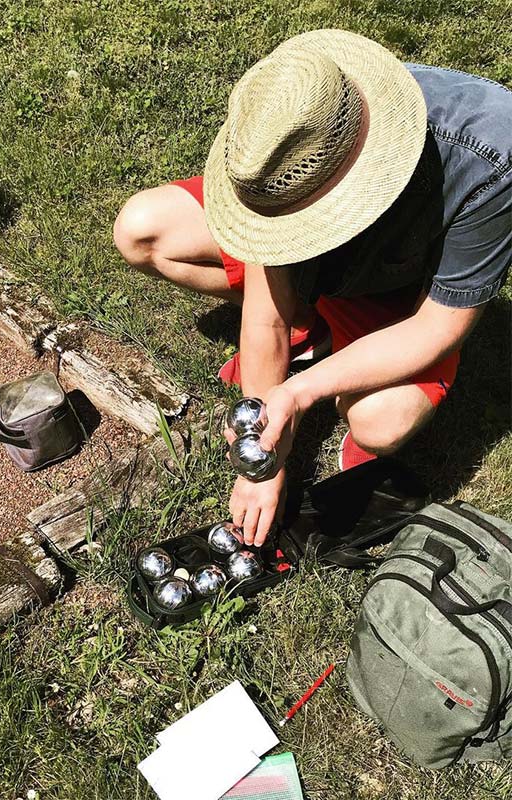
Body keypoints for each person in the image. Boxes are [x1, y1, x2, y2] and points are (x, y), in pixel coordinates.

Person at [113, 30, 512, 548]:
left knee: (381, 422)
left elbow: (438, 327)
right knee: (143, 230)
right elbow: (265, 317)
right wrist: (264, 459)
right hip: (334, 269)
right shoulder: (285, 136)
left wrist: (298, 393)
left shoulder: (491, 159)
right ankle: (319, 329)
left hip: (402, 302)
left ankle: (333, 344)